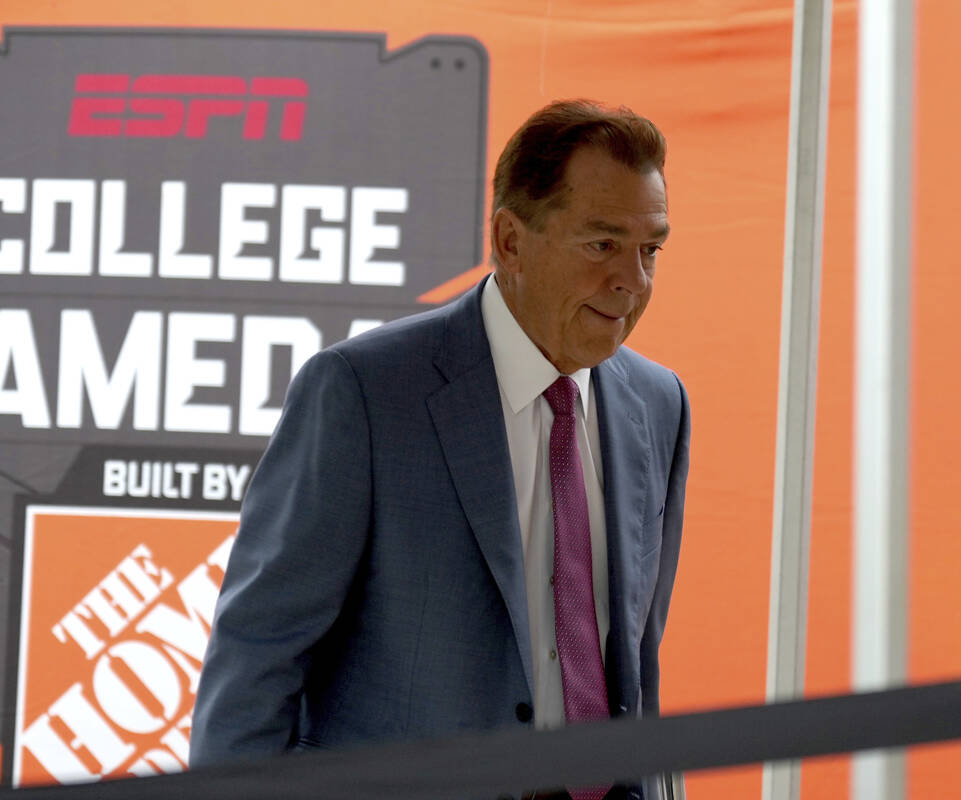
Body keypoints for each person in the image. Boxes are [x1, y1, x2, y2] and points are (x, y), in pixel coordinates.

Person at [190, 99, 690, 800]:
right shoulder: (363, 394)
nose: (632, 283)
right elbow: (257, 660)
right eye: (601, 244)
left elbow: (635, 667)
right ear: (511, 241)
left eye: (651, 250)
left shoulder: (659, 404)